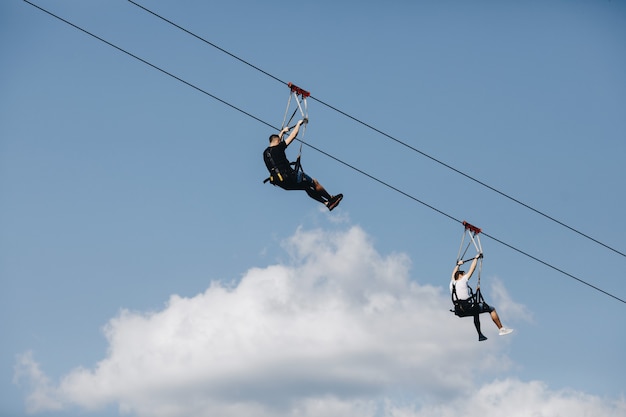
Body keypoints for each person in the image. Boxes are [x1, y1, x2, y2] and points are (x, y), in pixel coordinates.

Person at [263, 118, 343, 210]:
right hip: (290, 176)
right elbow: (293, 135)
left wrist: (282, 132)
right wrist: (298, 124)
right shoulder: (279, 148)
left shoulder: (265, 153)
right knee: (314, 182)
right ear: (278, 141)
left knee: (306, 187)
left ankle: (326, 203)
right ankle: (330, 198)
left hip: (282, 183)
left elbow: (277, 140)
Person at [450, 253, 513, 341]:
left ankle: (480, 334)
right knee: (491, 309)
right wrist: (476, 258)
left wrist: (458, 265)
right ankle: (501, 329)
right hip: (467, 308)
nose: (465, 275)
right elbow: (472, 269)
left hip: (459, 311)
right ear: (460, 275)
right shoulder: (463, 280)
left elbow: (453, 274)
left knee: (475, 310)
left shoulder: (452, 283)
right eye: (463, 274)